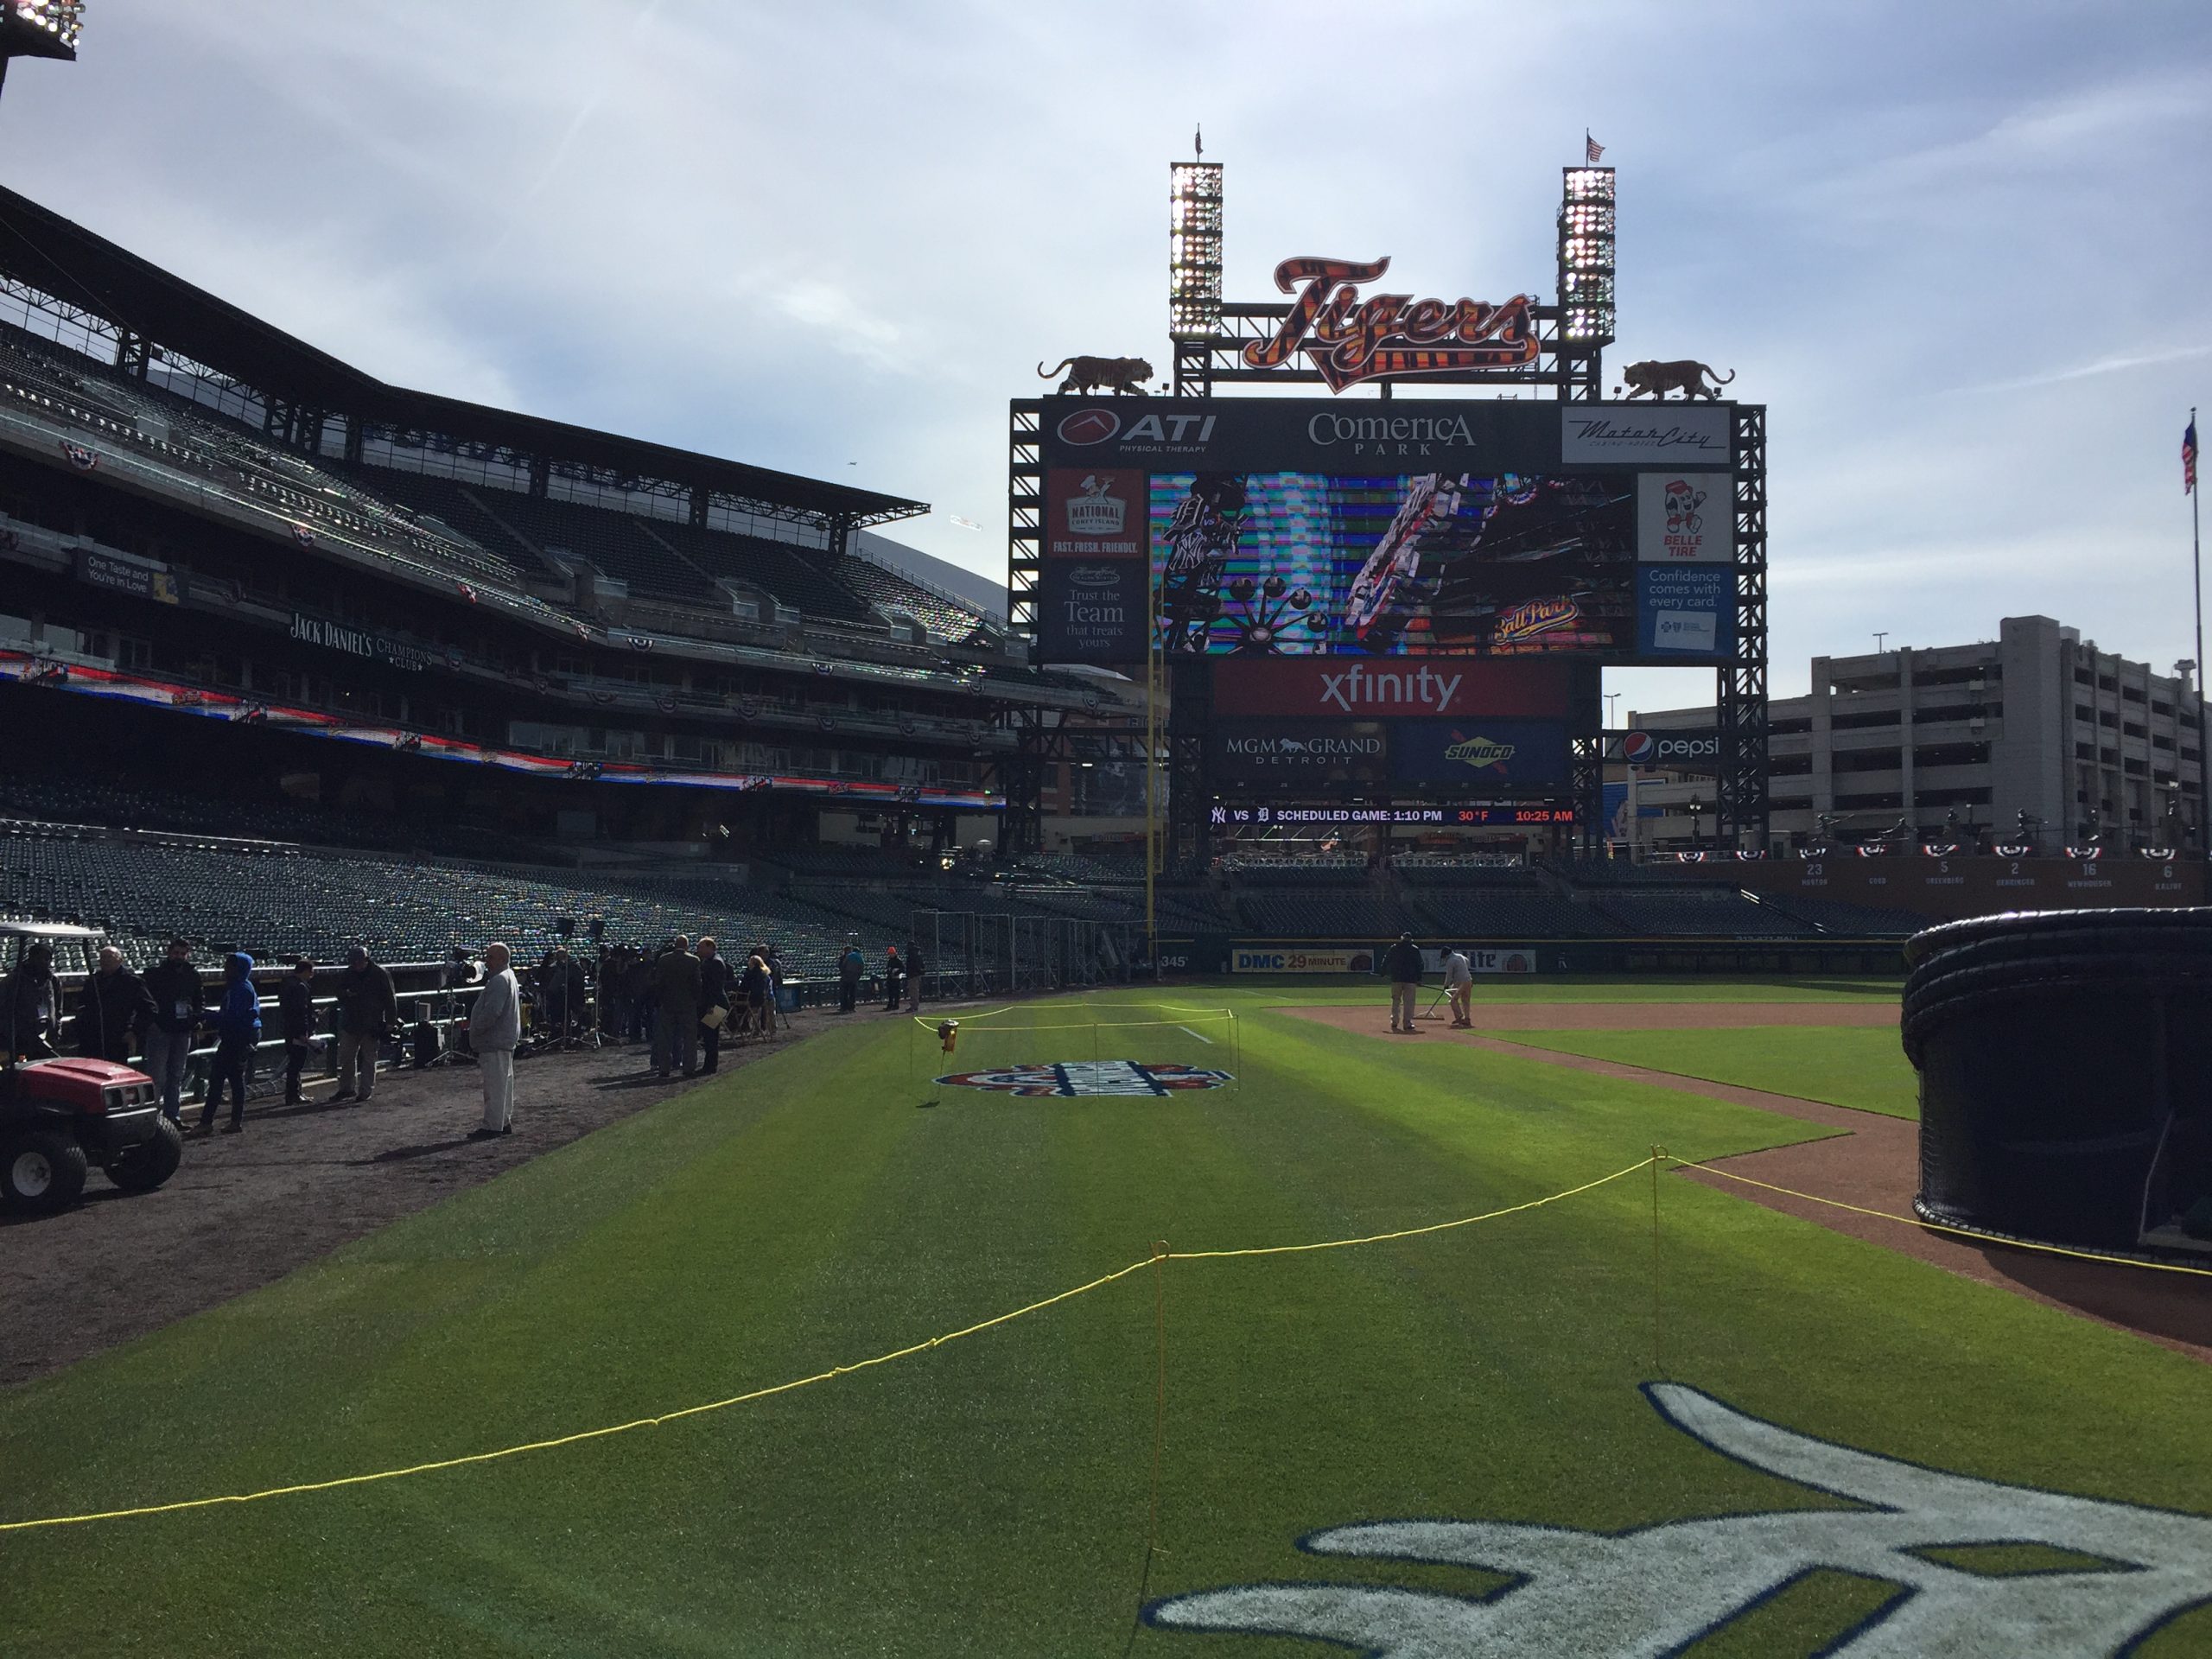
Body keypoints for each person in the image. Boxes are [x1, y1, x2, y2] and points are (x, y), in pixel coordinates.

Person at [140, 937, 204, 1126]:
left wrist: (196, 1019)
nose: (179, 957)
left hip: (183, 1030)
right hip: (161, 1029)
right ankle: (152, 1118)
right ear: (169, 953)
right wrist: (154, 1022)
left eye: (183, 954)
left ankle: (172, 1117)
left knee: (176, 1075)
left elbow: (199, 999)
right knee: (157, 1076)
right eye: (176, 953)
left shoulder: (192, 975)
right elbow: (147, 1002)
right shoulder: (155, 974)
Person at [197, 951, 260, 1135]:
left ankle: (207, 1122)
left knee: (220, 1079)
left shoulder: (239, 988)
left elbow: (232, 1017)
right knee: (233, 1079)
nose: (226, 969)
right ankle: (232, 1121)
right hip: (241, 1035)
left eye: (230, 966)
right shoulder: (241, 986)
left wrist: (207, 1015)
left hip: (237, 1037)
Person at [465, 941, 520, 1138]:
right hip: (504, 1039)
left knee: (494, 1087)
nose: (486, 961)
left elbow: (492, 1013)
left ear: (502, 959)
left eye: (491, 957)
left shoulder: (499, 980)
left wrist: (476, 1028)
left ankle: (492, 1125)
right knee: (504, 1084)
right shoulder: (509, 976)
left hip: (494, 1040)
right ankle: (503, 1121)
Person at [332, 945, 397, 1103]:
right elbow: (338, 991)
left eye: (360, 962)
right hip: (351, 1021)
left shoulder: (380, 973)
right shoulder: (348, 973)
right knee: (346, 1056)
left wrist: (390, 1022)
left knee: (369, 1058)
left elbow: (390, 998)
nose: (358, 965)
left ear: (367, 960)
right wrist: (346, 994)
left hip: (372, 1022)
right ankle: (346, 1088)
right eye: (355, 962)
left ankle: (365, 1091)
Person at [79, 945, 155, 1064]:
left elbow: (150, 1009)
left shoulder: (132, 981)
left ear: (120, 960)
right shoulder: (93, 981)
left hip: (119, 1038)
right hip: (94, 1038)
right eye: (103, 957)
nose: (106, 960)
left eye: (110, 957)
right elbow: (83, 1005)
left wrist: (134, 1031)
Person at [2, 940, 62, 1061]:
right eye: (40, 958)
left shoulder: (53, 981)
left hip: (46, 1036)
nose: (44, 962)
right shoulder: (15, 979)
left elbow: (58, 1009)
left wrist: (56, 1031)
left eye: (47, 959)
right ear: (31, 958)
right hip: (21, 1038)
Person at [652, 934, 702, 1077]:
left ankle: (664, 1067)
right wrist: (695, 1000)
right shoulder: (693, 961)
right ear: (686, 946)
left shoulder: (664, 959)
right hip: (687, 1005)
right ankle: (688, 1067)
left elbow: (659, 982)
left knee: (665, 1037)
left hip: (667, 1004)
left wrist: (661, 999)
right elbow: (697, 984)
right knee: (689, 1037)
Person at [278, 956, 317, 1104]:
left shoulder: (287, 983)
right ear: (306, 971)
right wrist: (303, 1032)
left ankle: (294, 1093)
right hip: (298, 1030)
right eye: (311, 972)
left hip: (289, 1028)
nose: (312, 975)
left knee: (294, 1062)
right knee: (297, 1063)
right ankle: (293, 1095)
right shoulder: (300, 987)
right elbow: (301, 1011)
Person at [696, 937, 732, 1073]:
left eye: (701, 947)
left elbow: (715, 988)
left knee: (711, 1036)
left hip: (716, 1004)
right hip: (715, 1003)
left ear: (710, 946)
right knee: (709, 1035)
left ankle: (710, 1066)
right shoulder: (711, 961)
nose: (698, 949)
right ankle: (709, 1065)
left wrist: (711, 1006)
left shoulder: (715, 962)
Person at [1383, 931, 1425, 1034]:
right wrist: (1419, 979)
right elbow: (1419, 965)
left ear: (1402, 938)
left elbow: (1386, 960)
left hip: (1396, 978)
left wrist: (1382, 971)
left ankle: (1394, 1021)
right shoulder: (1414, 949)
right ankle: (1407, 1023)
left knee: (1396, 1000)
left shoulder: (1395, 947)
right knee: (1409, 1002)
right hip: (1410, 979)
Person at [741, 950, 771, 1039]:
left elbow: (745, 986)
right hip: (761, 998)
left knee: (736, 1006)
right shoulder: (764, 973)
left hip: (753, 999)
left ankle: (741, 1026)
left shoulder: (752, 973)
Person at [1443, 946, 1474, 1028]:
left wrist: (1446, 985)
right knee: (1465, 1000)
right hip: (1468, 980)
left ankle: (1459, 1017)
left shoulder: (1450, 961)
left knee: (1452, 999)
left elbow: (1449, 975)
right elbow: (1467, 965)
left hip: (1460, 982)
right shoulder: (1460, 956)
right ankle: (1467, 1018)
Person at [837, 938, 864, 1014]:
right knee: (852, 993)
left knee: (844, 993)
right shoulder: (860, 957)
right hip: (854, 978)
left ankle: (844, 1007)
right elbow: (862, 968)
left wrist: (843, 974)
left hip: (846, 977)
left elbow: (843, 966)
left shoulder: (849, 956)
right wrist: (858, 976)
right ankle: (851, 1008)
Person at [905, 940, 925, 1014]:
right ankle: (914, 1005)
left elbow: (914, 965)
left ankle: (914, 1006)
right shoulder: (917, 953)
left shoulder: (913, 954)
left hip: (913, 974)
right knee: (914, 990)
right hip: (915, 974)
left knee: (913, 991)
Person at [883, 944, 904, 1014]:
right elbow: (888, 969)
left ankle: (896, 1005)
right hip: (890, 979)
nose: (890, 955)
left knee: (896, 993)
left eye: (891, 953)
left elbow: (902, 969)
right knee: (890, 993)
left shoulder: (898, 961)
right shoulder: (890, 960)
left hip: (896, 979)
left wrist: (896, 973)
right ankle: (890, 1005)